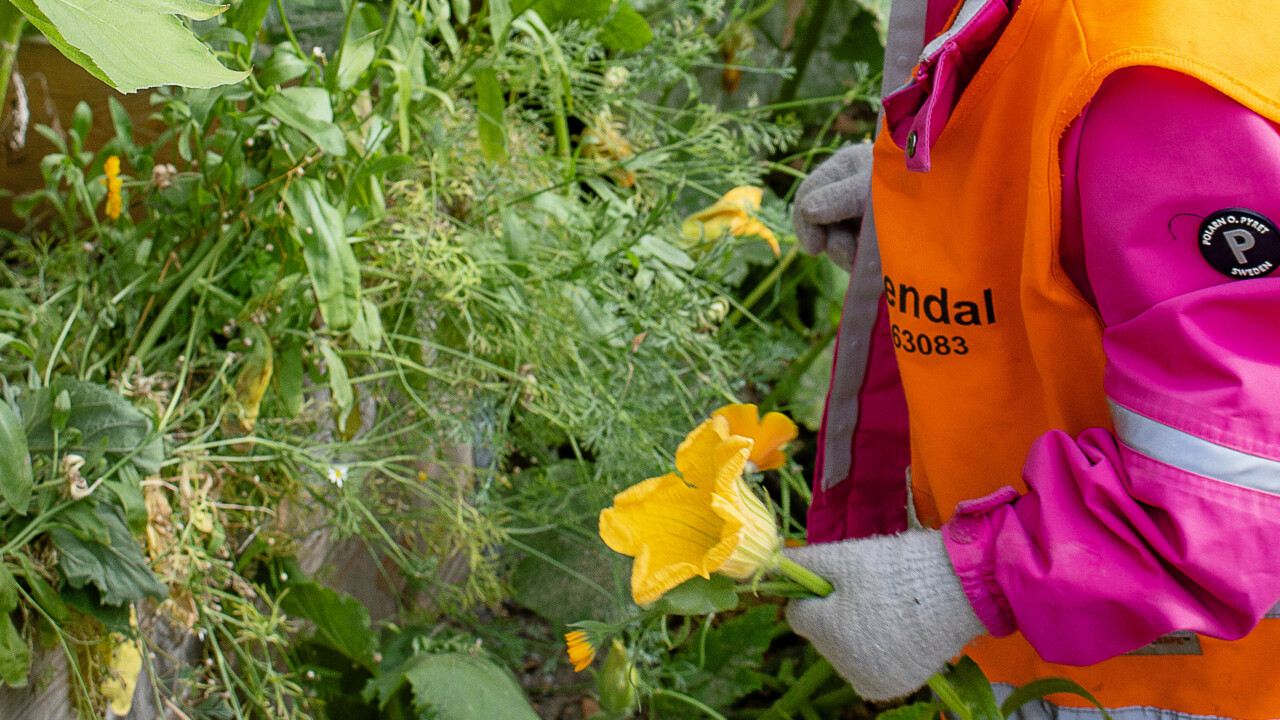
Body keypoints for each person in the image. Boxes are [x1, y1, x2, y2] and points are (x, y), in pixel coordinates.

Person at [783, 0, 1280, 717]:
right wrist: (949, 204)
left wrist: (969, 583)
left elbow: (1233, 492)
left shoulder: (1159, 77)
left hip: (1176, 687)